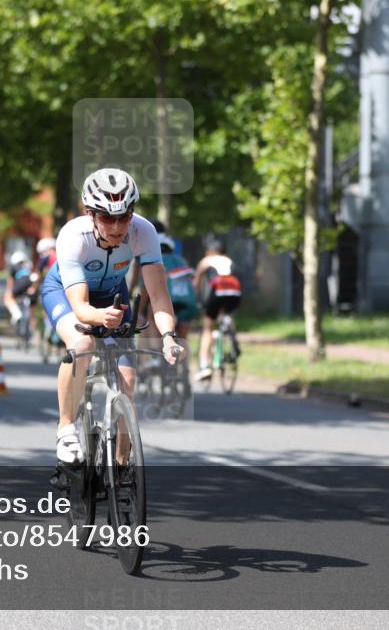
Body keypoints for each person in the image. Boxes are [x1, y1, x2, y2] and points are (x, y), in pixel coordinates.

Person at [40, 167, 185, 463]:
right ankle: (66, 429)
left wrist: (169, 337)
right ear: (91, 214)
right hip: (66, 294)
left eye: (124, 216)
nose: (117, 226)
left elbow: (158, 295)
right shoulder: (73, 236)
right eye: (107, 217)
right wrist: (97, 318)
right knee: (82, 345)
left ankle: (121, 470)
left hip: (112, 296)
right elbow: (81, 308)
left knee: (127, 382)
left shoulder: (144, 232)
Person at [193, 237, 242, 381]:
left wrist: (198, 299)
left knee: (208, 328)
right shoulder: (230, 260)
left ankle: (204, 366)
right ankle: (232, 337)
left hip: (217, 291)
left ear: (209, 251)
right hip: (234, 290)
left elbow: (197, 282)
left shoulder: (206, 260)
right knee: (228, 313)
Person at [3, 249, 34, 326]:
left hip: (21, 283)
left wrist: (9, 291)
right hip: (30, 285)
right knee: (31, 307)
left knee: (7, 297)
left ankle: (16, 314)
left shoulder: (14, 266)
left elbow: (10, 281)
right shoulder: (28, 265)